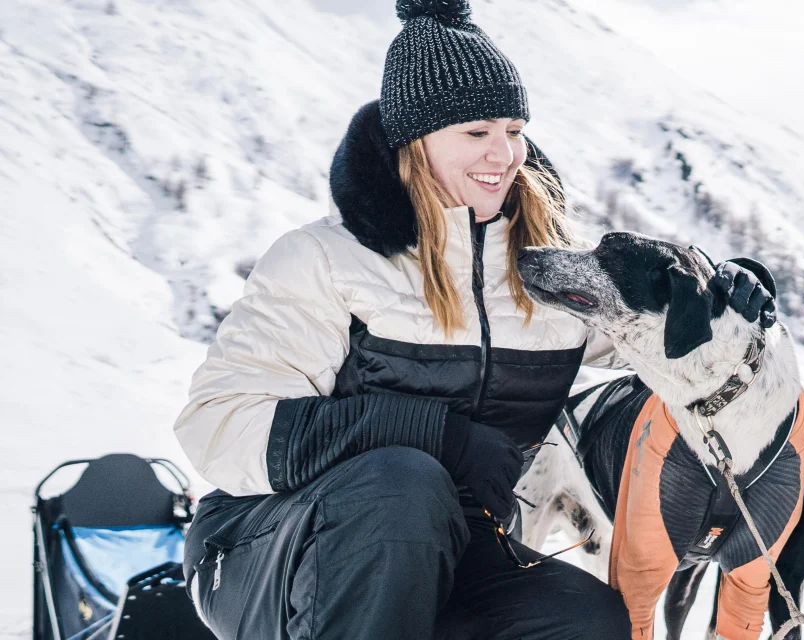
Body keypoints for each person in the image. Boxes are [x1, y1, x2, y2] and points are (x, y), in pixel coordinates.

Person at [171, 2, 771, 637]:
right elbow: (217, 425)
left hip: (449, 548)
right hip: (271, 547)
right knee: (402, 485)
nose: (505, 153)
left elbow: (652, 335)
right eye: (476, 132)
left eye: (514, 129)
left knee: (586, 622)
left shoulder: (540, 273)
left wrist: (720, 289)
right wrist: (434, 434)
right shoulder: (328, 259)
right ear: (415, 140)